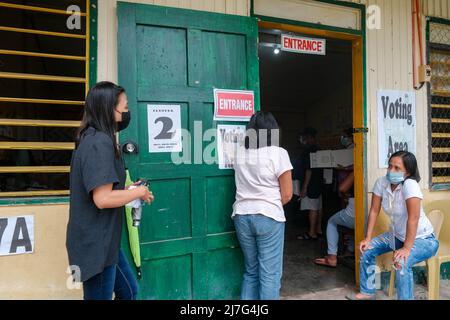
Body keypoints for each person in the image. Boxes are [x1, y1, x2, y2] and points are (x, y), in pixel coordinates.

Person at [66, 81, 154, 300]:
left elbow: (102, 188)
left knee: (129, 291)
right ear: (108, 109)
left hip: (106, 242)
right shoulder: (98, 143)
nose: (127, 113)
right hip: (96, 244)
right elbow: (103, 199)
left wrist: (127, 189)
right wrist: (139, 193)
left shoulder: (98, 139)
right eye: (123, 108)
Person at [347, 151, 439, 300]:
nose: (391, 170)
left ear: (407, 172)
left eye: (397, 168)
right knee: (367, 249)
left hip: (424, 239)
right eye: (390, 166)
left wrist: (407, 248)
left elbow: (413, 218)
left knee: (401, 261)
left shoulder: (410, 185)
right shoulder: (382, 183)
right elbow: (374, 210)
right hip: (397, 236)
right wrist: (368, 238)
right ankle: (367, 291)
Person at [232, 111, 293, 300]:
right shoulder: (279, 153)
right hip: (268, 217)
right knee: (270, 275)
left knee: (251, 271)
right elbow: (287, 194)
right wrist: (270, 204)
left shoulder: (240, 152)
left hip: (241, 215)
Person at [297, 127, 324, 240]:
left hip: (311, 184)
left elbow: (309, 170)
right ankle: (318, 229)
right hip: (319, 183)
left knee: (312, 207)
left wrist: (304, 187)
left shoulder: (308, 151)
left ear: (308, 138)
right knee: (318, 206)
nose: (302, 140)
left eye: (304, 138)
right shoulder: (319, 149)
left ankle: (311, 232)